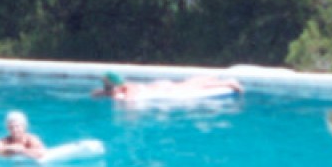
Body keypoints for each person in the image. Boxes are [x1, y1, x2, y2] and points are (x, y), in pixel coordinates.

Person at [92, 70, 243, 100]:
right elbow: (97, 93)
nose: (105, 86)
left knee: (189, 86)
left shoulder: (127, 87)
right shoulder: (116, 89)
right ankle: (211, 78)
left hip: (163, 88)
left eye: (107, 84)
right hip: (158, 86)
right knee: (187, 84)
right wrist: (105, 93)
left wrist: (117, 97)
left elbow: (130, 99)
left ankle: (227, 83)